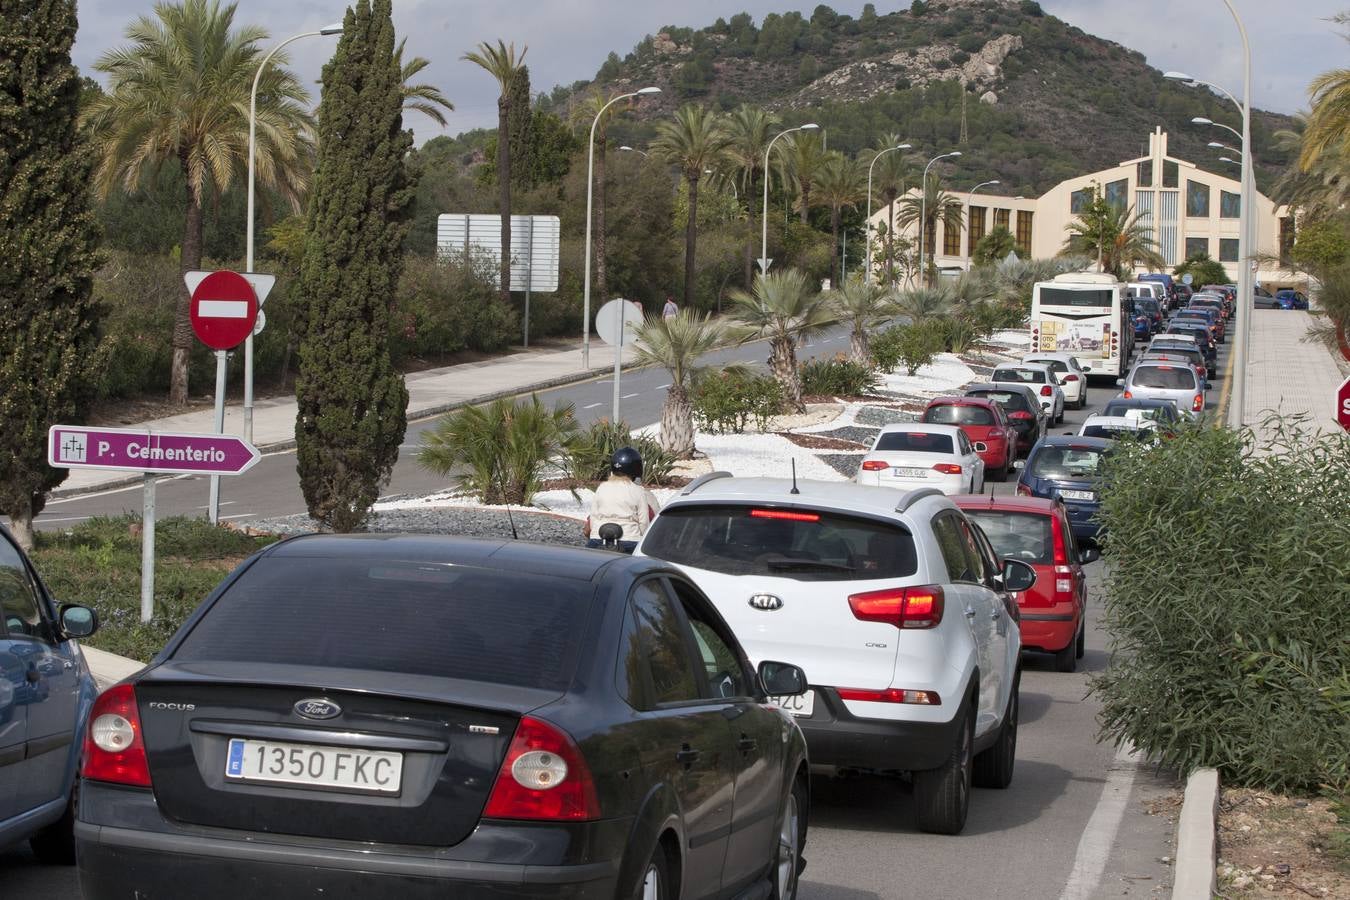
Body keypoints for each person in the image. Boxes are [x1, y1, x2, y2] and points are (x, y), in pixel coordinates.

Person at [584, 447, 653, 552]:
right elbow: (644, 523)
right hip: (629, 540)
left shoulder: (602, 487)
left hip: (599, 539)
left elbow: (594, 517)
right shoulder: (638, 491)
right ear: (637, 468)